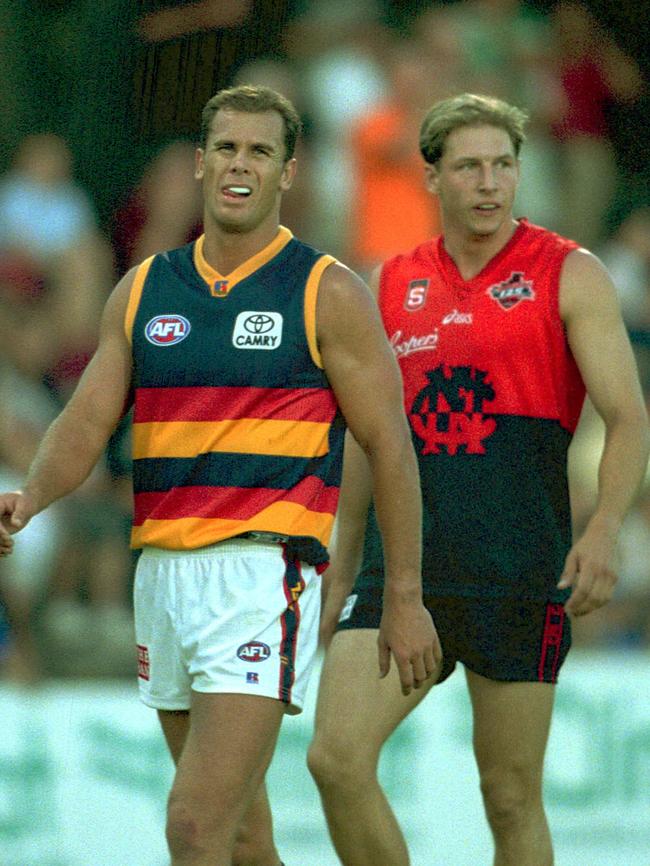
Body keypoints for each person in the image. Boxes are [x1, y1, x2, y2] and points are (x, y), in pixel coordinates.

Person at [0, 85, 440, 866]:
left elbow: (391, 446)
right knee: (240, 836)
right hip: (160, 575)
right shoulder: (143, 288)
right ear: (201, 164)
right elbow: (87, 420)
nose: (241, 164)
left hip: (258, 574)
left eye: (260, 151)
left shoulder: (325, 290)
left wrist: (402, 595)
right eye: (227, 148)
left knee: (192, 826)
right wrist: (31, 496)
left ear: (287, 172)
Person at [307, 92, 650, 866]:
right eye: (468, 167)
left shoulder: (570, 273)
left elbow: (630, 417)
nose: (490, 183)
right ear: (432, 178)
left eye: (503, 164)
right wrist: (343, 559)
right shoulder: (388, 283)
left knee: (509, 797)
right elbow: (369, 436)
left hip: (517, 570)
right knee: (335, 760)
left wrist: (603, 532)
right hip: (404, 574)